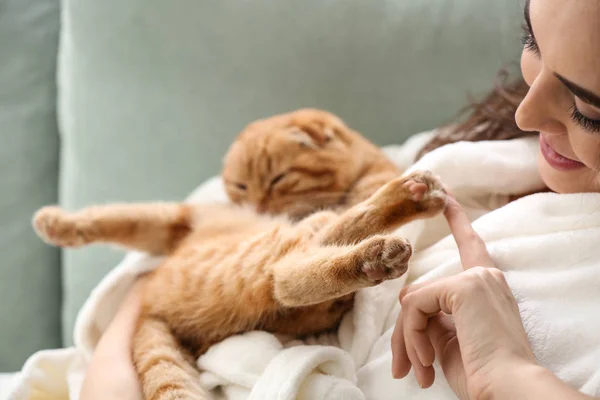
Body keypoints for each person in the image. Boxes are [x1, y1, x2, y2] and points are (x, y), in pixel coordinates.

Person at [80, 0, 600, 398]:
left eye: (587, 109)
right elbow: (196, 240)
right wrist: (152, 298)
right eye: (532, 40)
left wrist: (510, 376)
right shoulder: (482, 147)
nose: (525, 117)